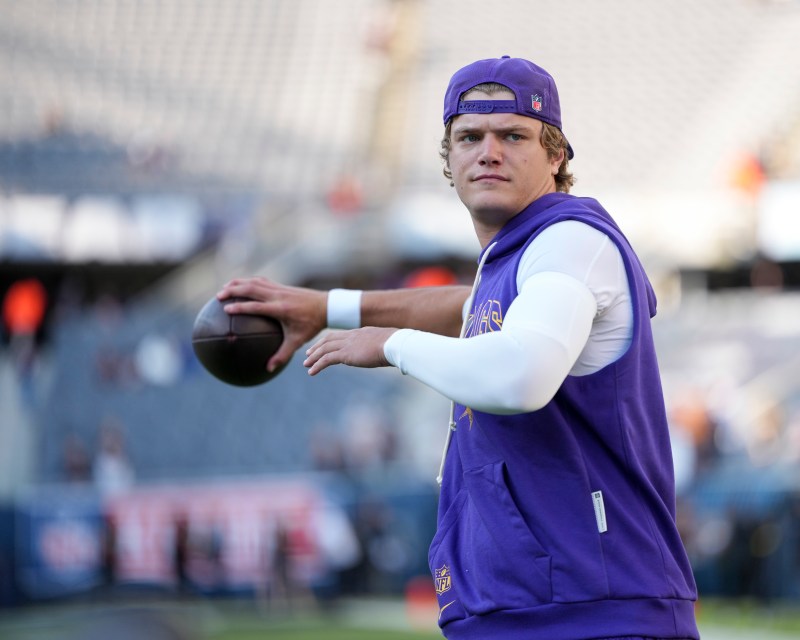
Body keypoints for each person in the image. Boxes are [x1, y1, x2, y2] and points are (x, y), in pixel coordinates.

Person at [218, 55, 699, 639]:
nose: (488, 152)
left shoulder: (570, 240)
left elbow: (521, 376)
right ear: (448, 158)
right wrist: (326, 308)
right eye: (469, 137)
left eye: (512, 135)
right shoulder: (513, 260)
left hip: (593, 611)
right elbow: (463, 308)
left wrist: (393, 345)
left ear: (555, 155)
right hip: (529, 607)